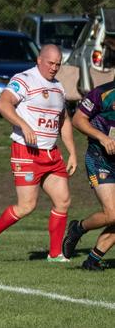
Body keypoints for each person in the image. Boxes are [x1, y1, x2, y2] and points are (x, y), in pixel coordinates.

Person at [0, 44, 77, 263]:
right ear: (39, 60)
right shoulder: (24, 79)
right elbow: (3, 105)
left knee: (63, 201)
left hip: (51, 153)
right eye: (50, 63)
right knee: (27, 206)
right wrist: (24, 125)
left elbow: (65, 120)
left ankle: (54, 254)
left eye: (58, 64)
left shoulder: (59, 87)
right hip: (26, 151)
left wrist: (72, 152)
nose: (54, 68)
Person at [62, 81, 115, 270]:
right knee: (112, 213)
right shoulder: (102, 93)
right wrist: (102, 137)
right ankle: (78, 228)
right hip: (99, 158)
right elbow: (78, 119)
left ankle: (92, 261)